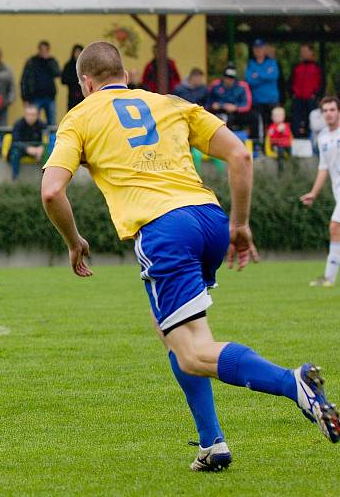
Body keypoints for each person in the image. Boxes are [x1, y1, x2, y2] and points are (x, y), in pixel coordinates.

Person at [41, 41, 339, 472]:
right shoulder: (171, 102)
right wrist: (239, 224)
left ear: (86, 83)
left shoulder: (79, 117)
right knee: (171, 331)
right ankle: (211, 442)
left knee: (193, 352)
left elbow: (52, 191)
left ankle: (295, 385)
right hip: (209, 219)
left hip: (164, 230)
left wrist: (73, 240)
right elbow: (239, 154)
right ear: (125, 74)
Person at [300, 96, 340, 287]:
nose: (329, 114)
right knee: (336, 230)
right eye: (325, 111)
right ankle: (329, 278)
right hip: (337, 191)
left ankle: (329, 278)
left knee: (335, 227)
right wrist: (313, 193)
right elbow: (323, 167)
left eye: (332, 109)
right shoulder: (323, 137)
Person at [246, 39, 280, 143]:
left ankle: (274, 145)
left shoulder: (272, 62)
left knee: (273, 124)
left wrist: (258, 75)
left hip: (271, 99)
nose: (258, 50)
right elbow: (250, 80)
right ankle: (259, 146)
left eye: (260, 48)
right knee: (258, 124)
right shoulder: (251, 63)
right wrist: (265, 74)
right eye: (256, 48)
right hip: (257, 100)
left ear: (264, 49)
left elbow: (274, 76)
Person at [20, 40, 61, 126]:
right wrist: (25, 97)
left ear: (48, 50)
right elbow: (24, 79)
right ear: (38, 50)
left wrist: (48, 61)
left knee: (52, 122)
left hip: (50, 97)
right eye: (42, 50)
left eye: (46, 50)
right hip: (35, 97)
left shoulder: (51, 61)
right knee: (33, 121)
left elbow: (57, 73)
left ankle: (52, 139)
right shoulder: (32, 62)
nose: (43, 52)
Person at [291, 44, 323, 138]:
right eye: (302, 51)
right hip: (298, 98)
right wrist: (293, 93)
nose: (303, 53)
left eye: (305, 51)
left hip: (311, 99)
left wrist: (316, 95)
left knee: (312, 120)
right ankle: (297, 139)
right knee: (296, 120)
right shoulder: (297, 66)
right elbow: (291, 82)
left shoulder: (317, 67)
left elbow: (322, 83)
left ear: (311, 52)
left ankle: (311, 139)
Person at [9, 103, 46, 181]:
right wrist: (27, 148)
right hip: (22, 150)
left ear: (37, 115)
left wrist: (42, 148)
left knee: (48, 153)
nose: (31, 117)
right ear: (25, 115)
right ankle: (15, 179)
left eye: (33, 115)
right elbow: (15, 142)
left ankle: (46, 180)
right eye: (28, 115)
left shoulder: (42, 125)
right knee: (14, 153)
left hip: (37, 150)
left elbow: (46, 140)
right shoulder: (18, 124)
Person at [267, 106, 292, 174]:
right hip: (276, 145)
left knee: (291, 150)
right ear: (272, 117)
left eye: (280, 115)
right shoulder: (272, 127)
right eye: (276, 116)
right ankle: (280, 169)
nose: (278, 117)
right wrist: (277, 130)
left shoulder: (286, 126)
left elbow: (288, 135)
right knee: (280, 150)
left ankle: (291, 161)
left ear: (284, 117)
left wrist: (283, 131)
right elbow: (270, 136)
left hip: (286, 145)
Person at [61, 44, 85, 110]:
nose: (77, 54)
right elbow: (63, 80)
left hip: (84, 96)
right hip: (72, 96)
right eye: (76, 52)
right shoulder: (68, 66)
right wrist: (75, 80)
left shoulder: (86, 66)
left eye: (79, 52)